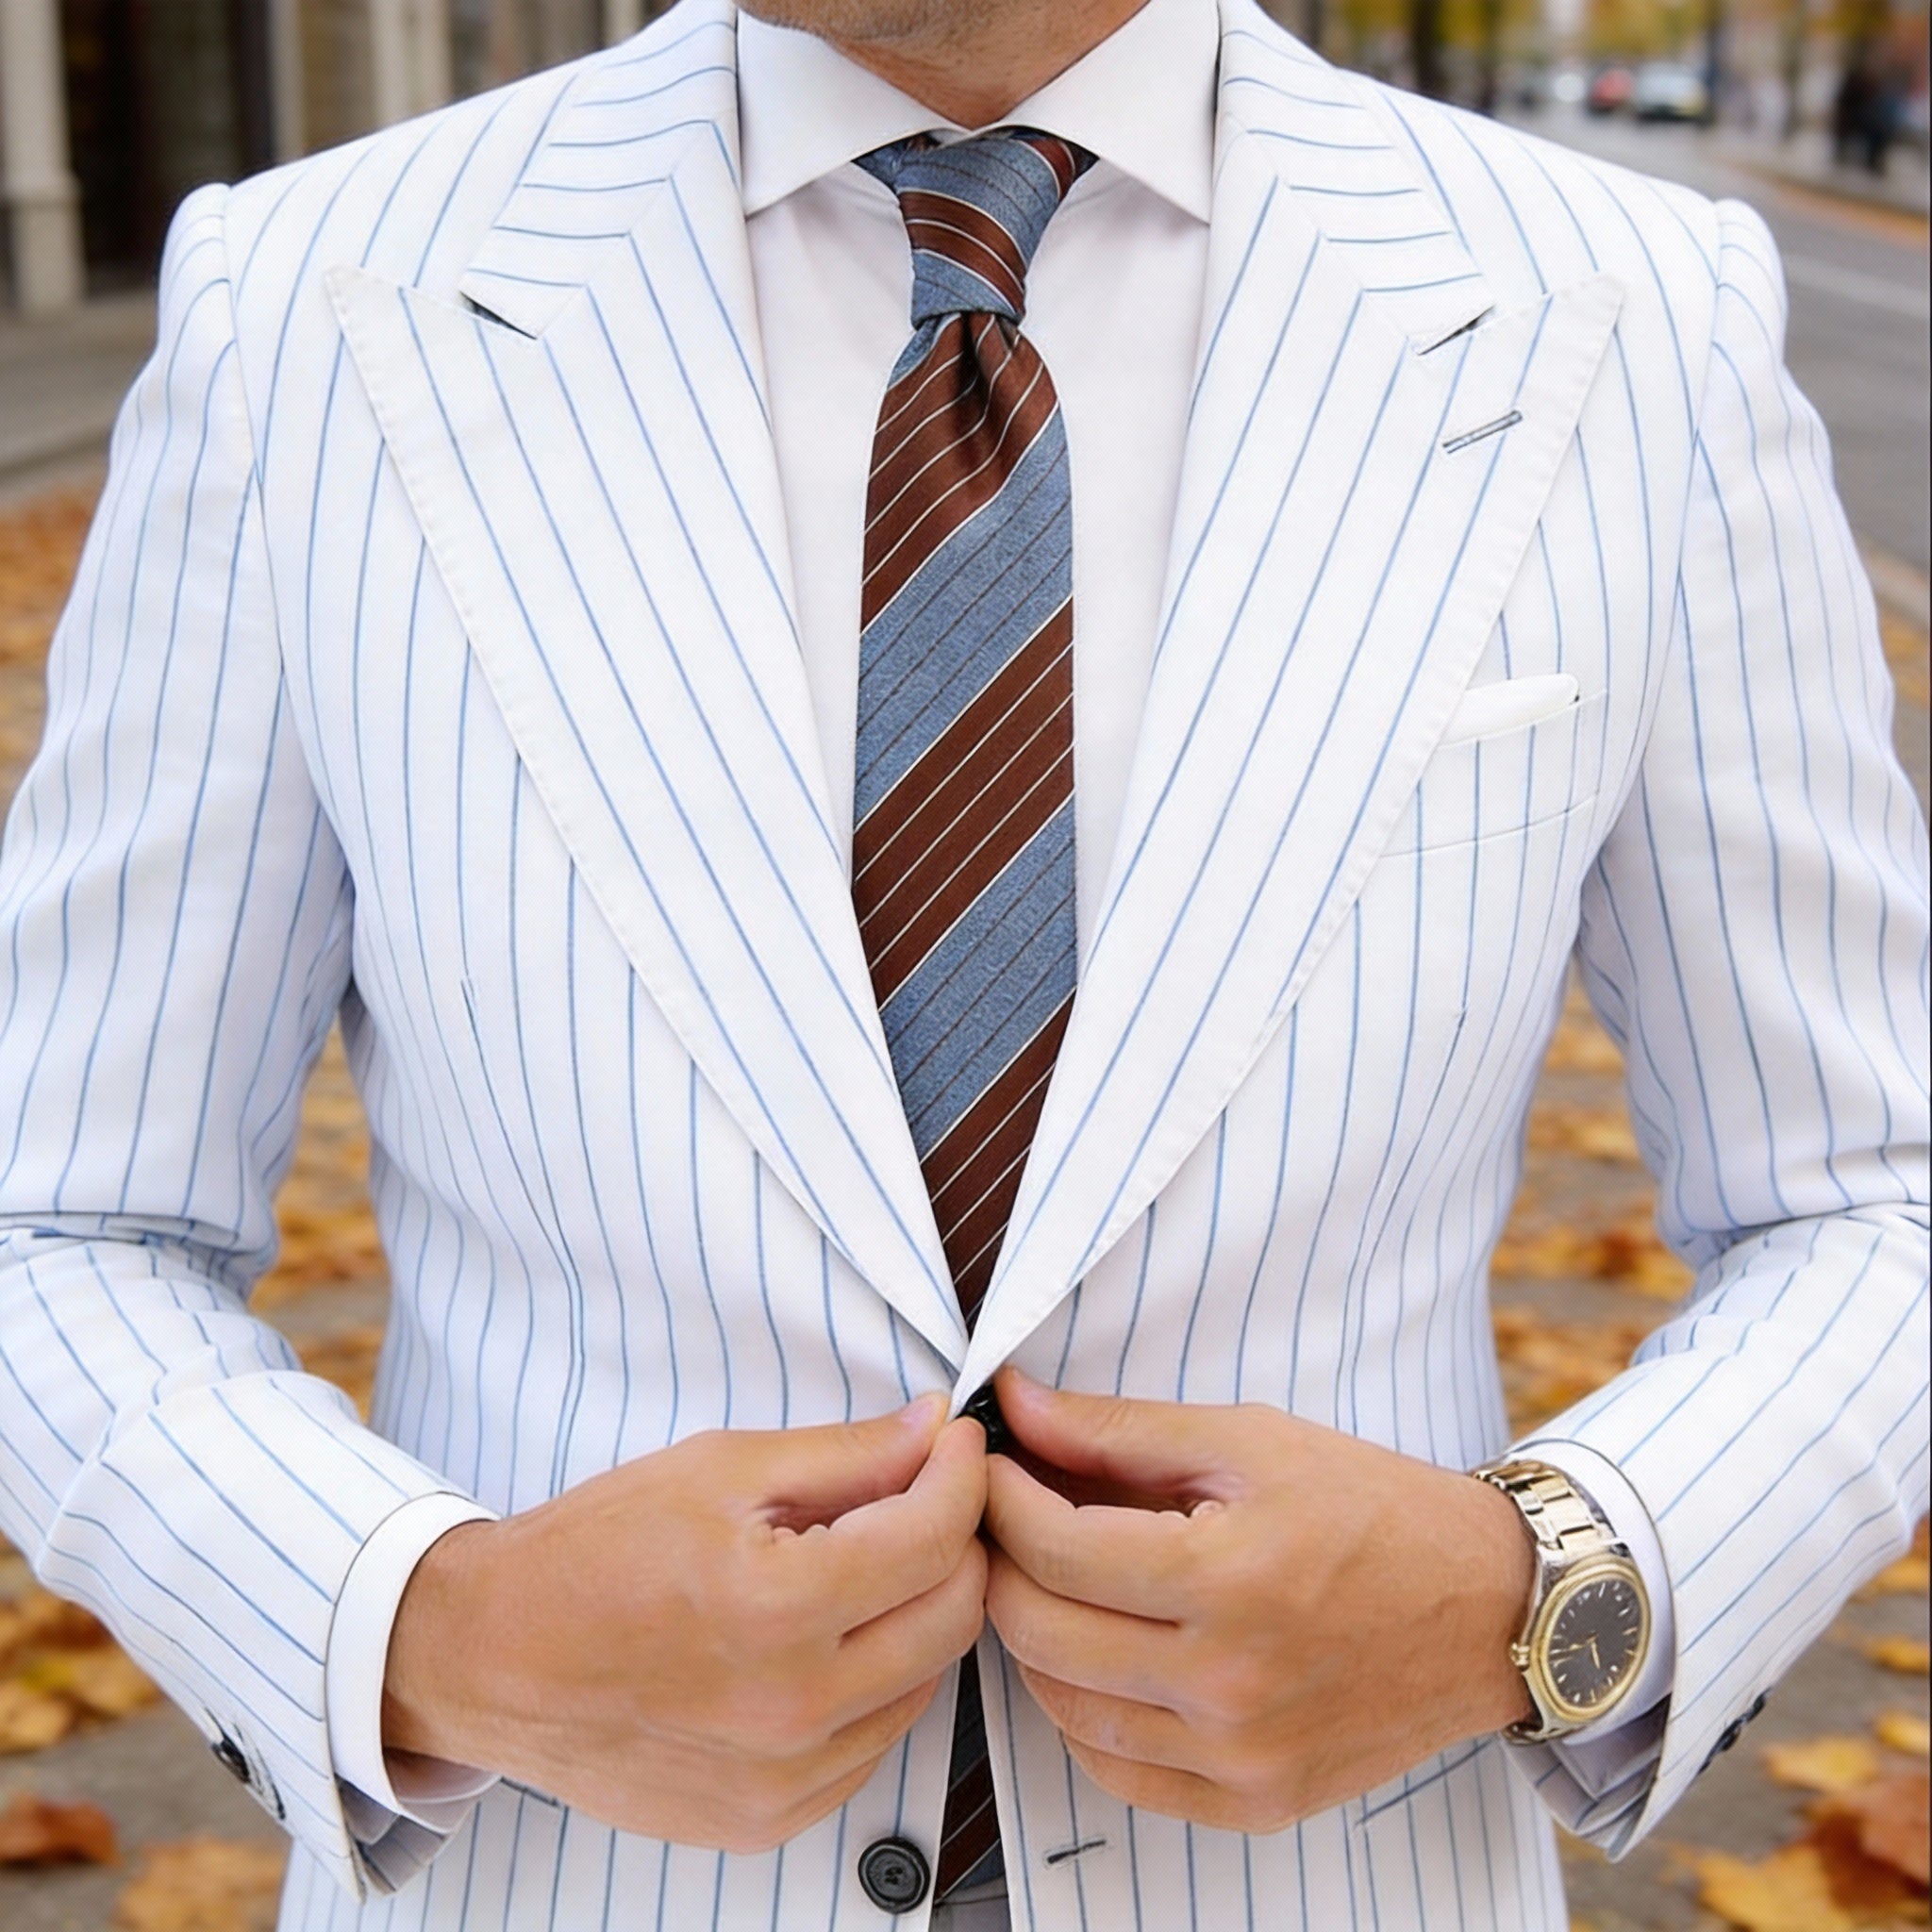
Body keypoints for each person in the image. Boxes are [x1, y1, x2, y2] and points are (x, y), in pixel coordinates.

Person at [0, 0, 1924, 1926]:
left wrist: (1548, 1594)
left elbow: (1870, 1196)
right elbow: (57, 1219)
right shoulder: (311, 307)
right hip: (562, 1875)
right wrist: (425, 1631)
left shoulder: (1633, 316)